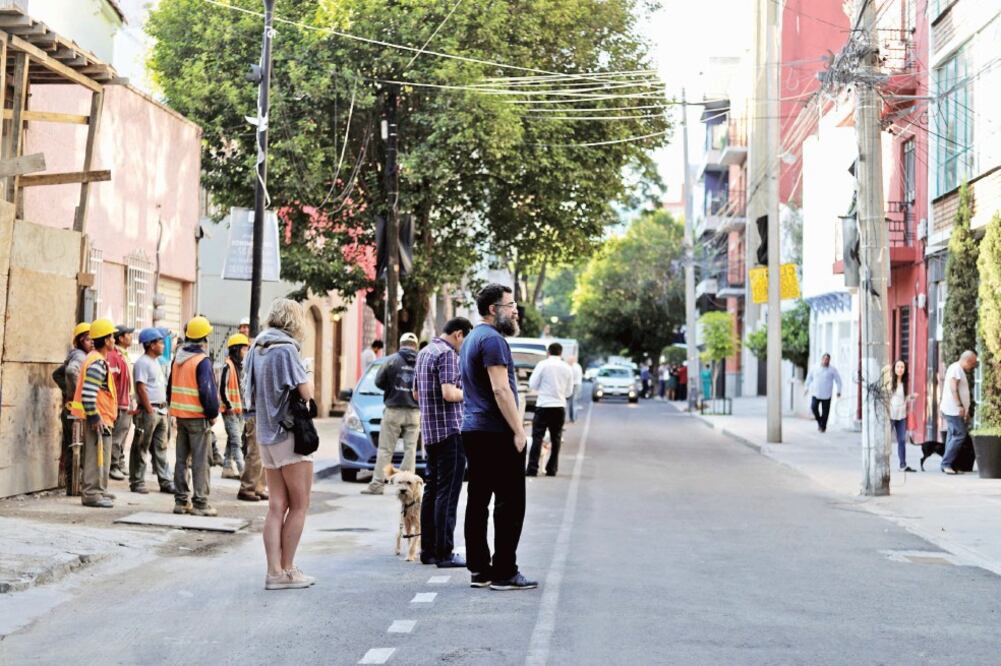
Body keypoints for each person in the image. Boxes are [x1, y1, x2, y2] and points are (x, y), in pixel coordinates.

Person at [461, 284, 537, 591]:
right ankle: (504, 571)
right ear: (494, 310)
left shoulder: (471, 338)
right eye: (511, 305)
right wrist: (519, 430)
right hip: (494, 431)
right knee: (510, 502)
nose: (516, 310)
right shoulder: (493, 340)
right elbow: (500, 388)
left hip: (473, 429)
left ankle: (480, 570)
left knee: (478, 501)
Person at [243, 298, 316, 590]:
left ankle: (274, 571)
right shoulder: (286, 350)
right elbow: (306, 393)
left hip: (265, 434)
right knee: (299, 505)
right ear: (294, 321)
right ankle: (287, 570)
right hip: (289, 435)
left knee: (276, 505)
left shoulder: (257, 347)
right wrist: (307, 371)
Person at [414, 317, 473, 568]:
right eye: (466, 340)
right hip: (450, 431)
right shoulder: (448, 354)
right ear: (459, 334)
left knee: (432, 491)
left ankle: (428, 551)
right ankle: (444, 553)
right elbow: (449, 393)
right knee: (448, 494)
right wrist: (470, 393)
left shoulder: (425, 351)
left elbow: (416, 393)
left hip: (430, 431)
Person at [167, 316, 220, 516]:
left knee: (181, 460)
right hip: (198, 418)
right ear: (203, 338)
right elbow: (207, 392)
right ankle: (200, 503)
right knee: (200, 461)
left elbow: (170, 388)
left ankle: (181, 502)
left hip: (181, 417)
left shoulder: (178, 358)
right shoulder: (202, 361)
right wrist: (213, 413)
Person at [362, 333, 421, 494]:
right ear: (415, 346)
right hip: (414, 411)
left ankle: (377, 485)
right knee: (410, 450)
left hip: (393, 410)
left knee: (385, 450)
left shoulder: (391, 361)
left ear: (401, 344)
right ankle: (408, 487)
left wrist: (391, 389)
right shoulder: (421, 361)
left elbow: (378, 381)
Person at [70, 319, 118, 508]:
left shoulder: (95, 359)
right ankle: (91, 494)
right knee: (95, 457)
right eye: (112, 337)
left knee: (102, 456)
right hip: (98, 418)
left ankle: (100, 490)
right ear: (106, 341)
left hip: (102, 417)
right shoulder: (97, 362)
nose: (114, 340)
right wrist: (95, 417)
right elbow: (89, 394)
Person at [129, 328, 175, 494]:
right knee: (141, 447)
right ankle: (137, 482)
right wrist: (148, 409)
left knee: (160, 448)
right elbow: (141, 387)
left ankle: (165, 481)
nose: (163, 345)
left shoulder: (156, 361)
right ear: (150, 345)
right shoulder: (143, 362)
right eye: (160, 342)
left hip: (161, 411)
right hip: (150, 411)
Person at [527, 342, 575, 478]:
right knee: (556, 438)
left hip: (543, 405)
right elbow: (569, 391)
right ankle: (552, 469)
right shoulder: (567, 368)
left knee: (537, 437)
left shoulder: (542, 365)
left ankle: (532, 468)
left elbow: (533, 384)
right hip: (559, 406)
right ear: (561, 353)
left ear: (548, 352)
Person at [56, 323, 92, 493]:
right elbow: (70, 372)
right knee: (77, 448)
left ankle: (73, 487)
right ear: (79, 341)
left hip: (71, 407)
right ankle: (75, 487)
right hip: (76, 410)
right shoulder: (80, 356)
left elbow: (57, 374)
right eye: (87, 339)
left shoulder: (77, 355)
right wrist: (78, 393)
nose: (91, 342)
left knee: (73, 447)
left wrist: (68, 390)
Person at [940, 350, 978, 475]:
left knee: (952, 436)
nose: (972, 367)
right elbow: (953, 387)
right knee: (960, 435)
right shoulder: (956, 368)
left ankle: (950, 464)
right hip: (953, 410)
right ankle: (946, 464)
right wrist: (959, 405)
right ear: (967, 360)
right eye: (972, 364)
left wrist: (964, 409)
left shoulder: (957, 368)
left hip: (953, 410)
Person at [106, 325, 135, 481]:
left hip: (126, 399)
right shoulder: (113, 355)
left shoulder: (123, 354)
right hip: (119, 402)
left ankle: (120, 462)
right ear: (121, 338)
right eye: (128, 334)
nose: (131, 337)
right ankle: (113, 465)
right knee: (117, 436)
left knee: (123, 435)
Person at [220, 333, 250, 479]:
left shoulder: (241, 367)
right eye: (244, 349)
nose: (246, 352)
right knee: (237, 441)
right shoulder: (228, 366)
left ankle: (227, 468)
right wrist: (228, 405)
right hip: (230, 410)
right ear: (236, 350)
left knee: (232, 439)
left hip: (239, 410)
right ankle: (243, 470)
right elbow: (222, 388)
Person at [889, 359, 917, 473]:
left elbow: (903, 399)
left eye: (902, 367)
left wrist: (911, 397)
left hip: (902, 415)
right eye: (898, 367)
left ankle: (903, 465)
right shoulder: (890, 382)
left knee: (901, 440)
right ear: (894, 368)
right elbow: (887, 398)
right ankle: (882, 463)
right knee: (886, 440)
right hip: (891, 415)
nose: (900, 369)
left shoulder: (905, 383)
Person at [805, 353, 843, 433]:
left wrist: (838, 391)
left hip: (827, 394)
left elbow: (838, 380)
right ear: (822, 359)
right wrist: (806, 388)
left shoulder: (832, 370)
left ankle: (823, 427)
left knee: (825, 413)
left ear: (829, 360)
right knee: (814, 408)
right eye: (825, 359)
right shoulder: (815, 368)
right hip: (816, 393)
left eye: (828, 359)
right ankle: (819, 422)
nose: (826, 361)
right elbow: (809, 378)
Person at [567, 356, 583, 423]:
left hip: (574, 385)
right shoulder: (578, 366)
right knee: (574, 401)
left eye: (569, 360)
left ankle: (573, 418)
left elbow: (570, 377)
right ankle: (573, 417)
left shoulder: (573, 367)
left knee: (572, 402)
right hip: (577, 384)